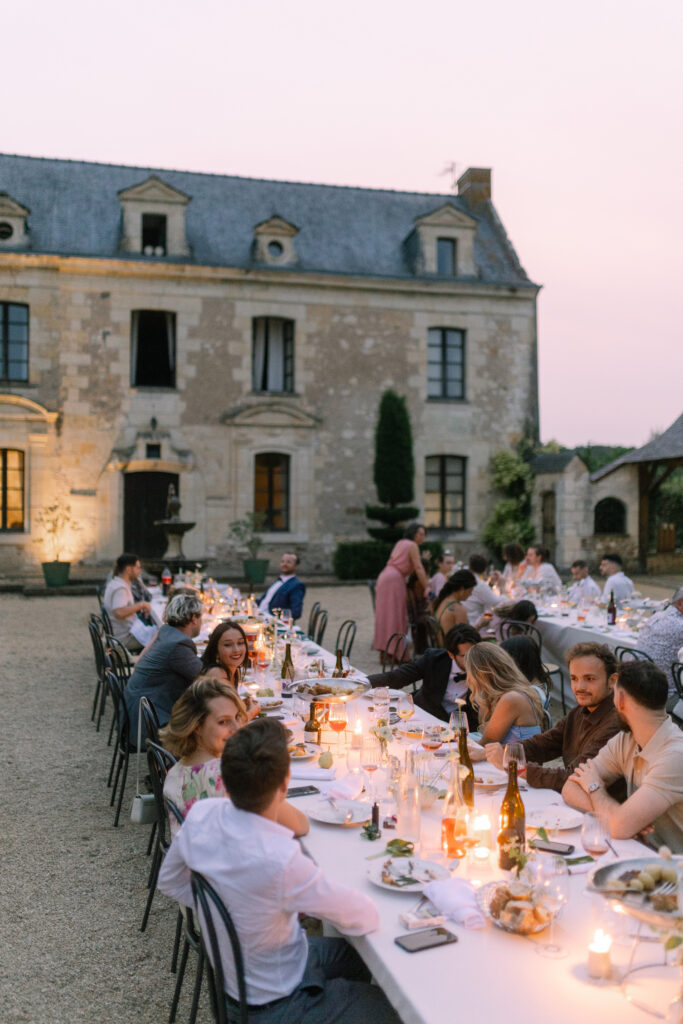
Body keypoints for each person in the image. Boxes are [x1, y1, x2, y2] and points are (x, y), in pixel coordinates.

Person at [158, 719, 400, 1024]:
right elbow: (363, 916)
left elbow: (168, 881)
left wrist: (225, 913)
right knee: (391, 1008)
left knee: (359, 958)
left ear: (225, 779)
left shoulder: (201, 816)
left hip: (245, 977)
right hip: (275, 1006)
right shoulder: (280, 858)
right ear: (285, 784)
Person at [161, 678, 308, 839]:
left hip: (191, 860)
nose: (236, 728)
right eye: (223, 722)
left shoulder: (175, 771)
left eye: (237, 717)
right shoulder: (229, 773)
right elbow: (300, 826)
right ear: (196, 726)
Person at [562, 660, 683, 849]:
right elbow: (569, 788)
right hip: (641, 853)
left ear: (620, 700)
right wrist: (617, 815)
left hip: (675, 869)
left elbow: (618, 827)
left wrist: (595, 788)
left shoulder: (676, 756)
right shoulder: (626, 740)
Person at [486, 642, 624, 792]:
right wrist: (500, 751)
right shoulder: (580, 710)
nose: (579, 687)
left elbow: (573, 777)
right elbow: (544, 744)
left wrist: (512, 764)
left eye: (589, 679)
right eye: (574, 678)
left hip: (597, 808)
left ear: (612, 681)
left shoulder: (616, 723)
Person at [367, 624, 482, 730]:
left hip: (462, 728)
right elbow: (396, 677)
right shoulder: (434, 660)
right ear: (451, 654)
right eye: (465, 656)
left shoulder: (484, 668)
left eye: (475, 653)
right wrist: (362, 683)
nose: (473, 660)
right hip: (425, 719)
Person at [124, 593, 203, 745]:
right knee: (208, 724)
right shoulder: (178, 644)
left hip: (137, 708)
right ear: (194, 617)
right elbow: (206, 677)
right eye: (200, 617)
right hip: (148, 721)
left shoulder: (166, 631)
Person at [464, 643, 544, 752]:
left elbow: (486, 744)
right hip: (507, 759)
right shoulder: (512, 692)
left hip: (515, 766)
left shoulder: (511, 699)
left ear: (477, 674)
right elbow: (483, 730)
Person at [372, 523, 429, 656]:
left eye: (423, 535)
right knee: (396, 615)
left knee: (385, 615)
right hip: (394, 580)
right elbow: (419, 568)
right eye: (420, 534)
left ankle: (385, 650)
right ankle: (396, 652)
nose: (422, 537)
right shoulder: (412, 545)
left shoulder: (401, 543)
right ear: (414, 534)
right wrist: (428, 587)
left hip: (385, 576)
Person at [198, 619, 260, 719]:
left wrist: (241, 704)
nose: (236, 650)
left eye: (240, 643)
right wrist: (252, 712)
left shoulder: (232, 671)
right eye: (228, 645)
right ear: (216, 650)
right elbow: (225, 725)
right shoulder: (217, 675)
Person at [633, 587, 683, 696]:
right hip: (664, 693)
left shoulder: (656, 616)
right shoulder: (680, 626)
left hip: (638, 684)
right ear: (680, 603)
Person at [103, 553, 151, 652]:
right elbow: (119, 612)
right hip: (123, 638)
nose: (140, 571)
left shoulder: (115, 583)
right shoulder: (121, 588)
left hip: (119, 633)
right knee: (161, 638)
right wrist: (141, 605)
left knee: (157, 632)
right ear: (129, 570)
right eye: (138, 568)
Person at [431, 569, 477, 641]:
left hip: (440, 647)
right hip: (450, 650)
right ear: (462, 589)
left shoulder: (443, 600)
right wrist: (480, 625)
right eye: (470, 591)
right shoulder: (458, 609)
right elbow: (466, 638)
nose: (470, 594)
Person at [258, 553, 306, 620]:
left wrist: (273, 614)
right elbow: (265, 601)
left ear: (296, 566)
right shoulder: (278, 581)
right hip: (258, 615)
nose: (284, 564)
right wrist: (249, 600)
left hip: (270, 620)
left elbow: (296, 613)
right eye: (282, 561)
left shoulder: (297, 585)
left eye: (288, 562)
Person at [463, 553, 504, 625]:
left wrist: (491, 584)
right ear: (485, 569)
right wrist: (502, 587)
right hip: (473, 623)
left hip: (465, 619)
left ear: (469, 567)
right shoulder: (479, 584)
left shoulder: (466, 579)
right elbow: (498, 604)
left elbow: (482, 595)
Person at [406, 556, 432, 655]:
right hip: (418, 615)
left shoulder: (412, 580)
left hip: (413, 613)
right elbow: (428, 597)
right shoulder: (420, 582)